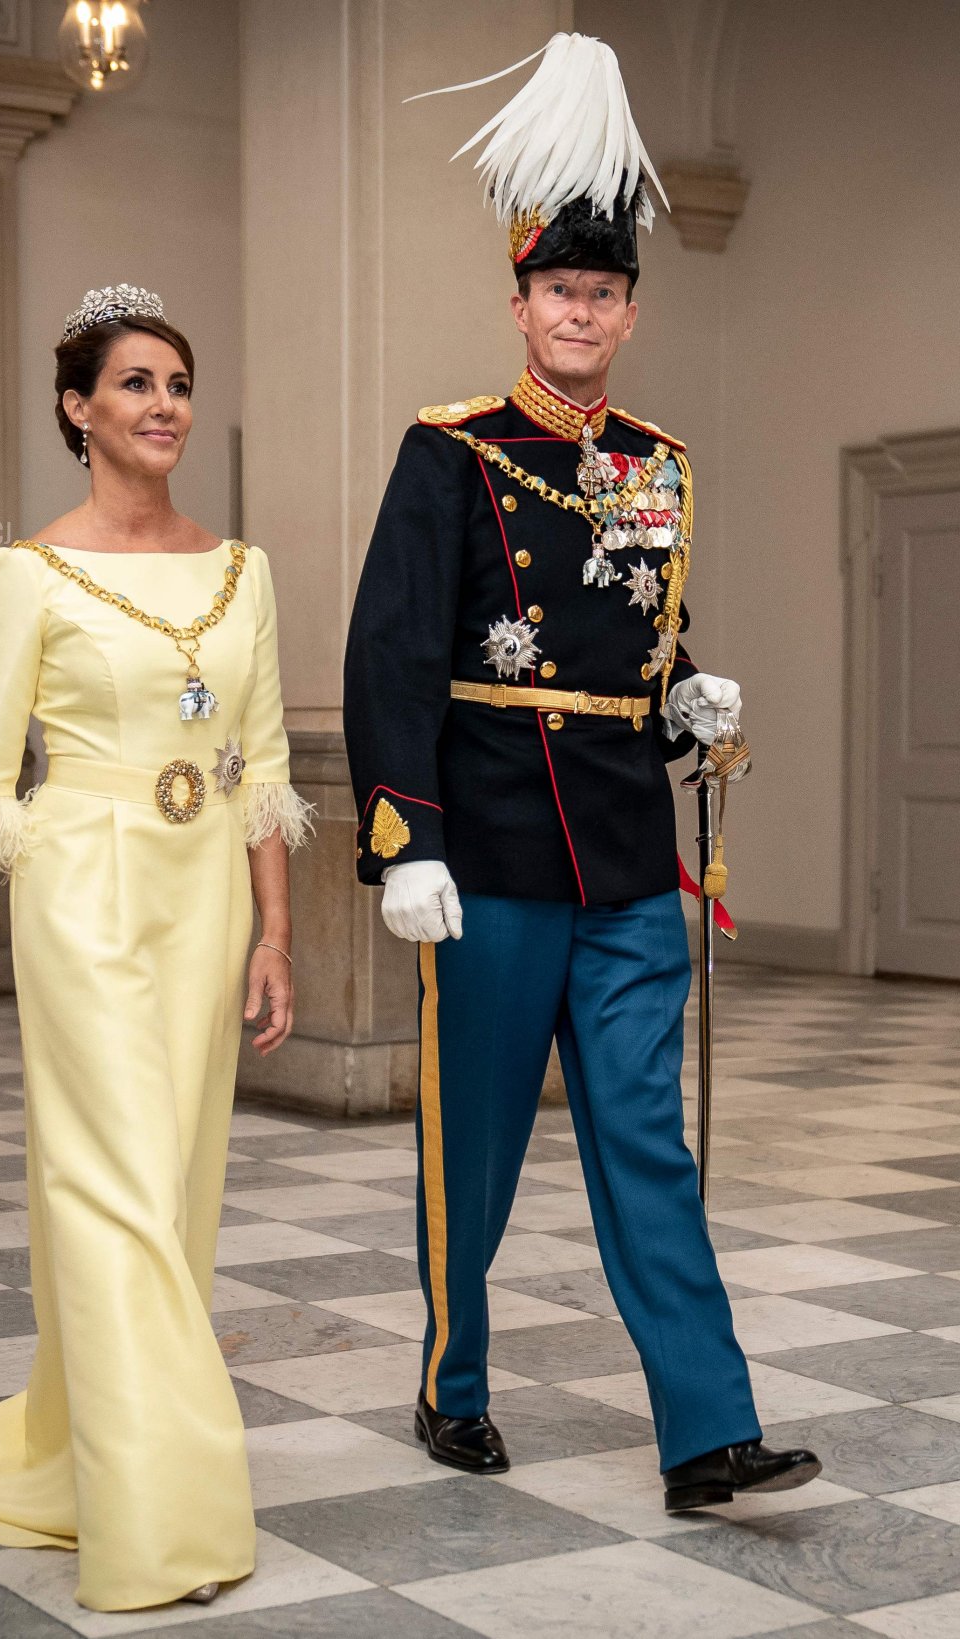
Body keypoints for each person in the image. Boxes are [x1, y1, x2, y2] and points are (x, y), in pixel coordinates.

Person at [343, 34, 820, 1513]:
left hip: (619, 855)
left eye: (605, 293)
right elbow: (394, 652)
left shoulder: (659, 466)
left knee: (644, 1143)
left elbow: (642, 643)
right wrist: (401, 836)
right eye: (560, 290)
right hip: (484, 854)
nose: (582, 313)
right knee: (473, 1149)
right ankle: (454, 1382)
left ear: (630, 309)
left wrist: (691, 699)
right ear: (522, 301)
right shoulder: (452, 453)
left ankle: (706, 1427)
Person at [0, 285, 312, 1611]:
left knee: (172, 1193)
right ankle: (159, 1508)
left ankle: (79, 1445)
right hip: (81, 891)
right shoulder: (23, 575)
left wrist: (276, 928)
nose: (163, 404)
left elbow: (261, 767)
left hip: (204, 898)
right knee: (107, 1190)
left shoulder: (244, 572)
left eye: (175, 382)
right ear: (78, 407)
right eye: (134, 383)